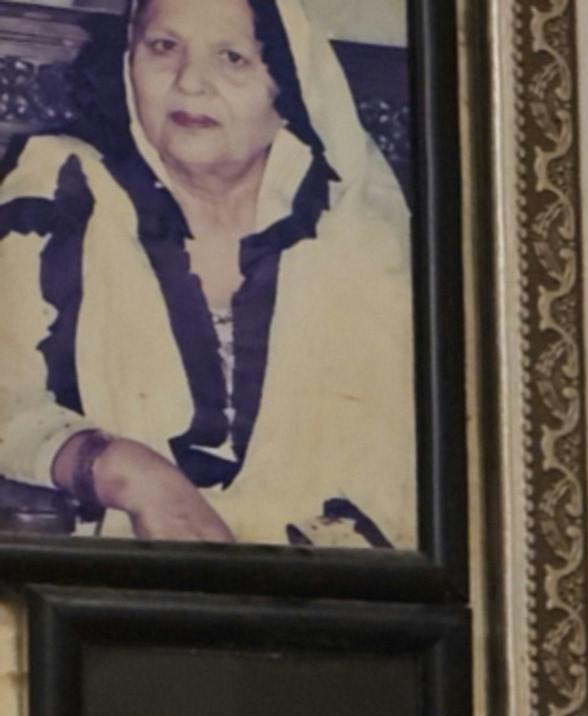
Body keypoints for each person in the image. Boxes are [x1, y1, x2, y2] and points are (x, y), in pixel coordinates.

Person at [0, 0, 416, 547]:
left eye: (233, 57)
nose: (190, 83)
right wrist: (124, 470)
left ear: (287, 85)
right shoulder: (63, 191)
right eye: (163, 47)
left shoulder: (361, 237)